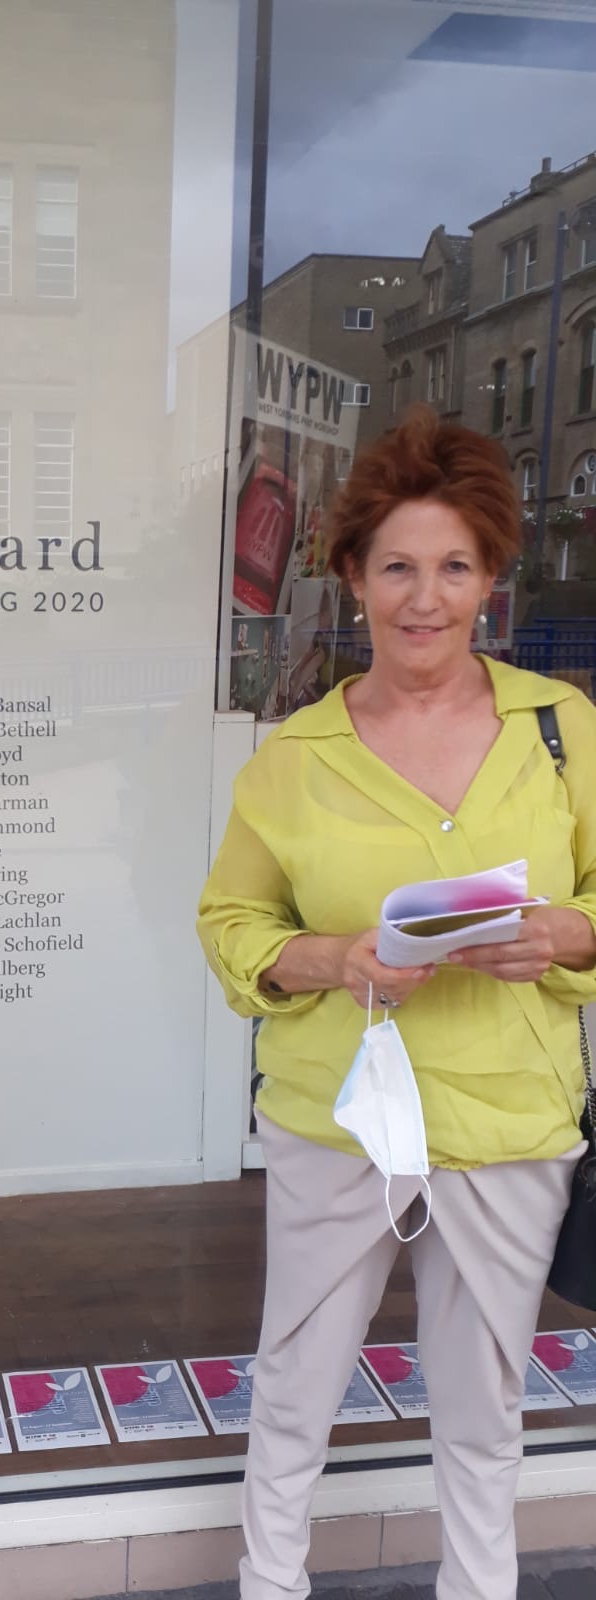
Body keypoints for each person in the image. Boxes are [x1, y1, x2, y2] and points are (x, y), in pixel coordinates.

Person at [198, 406, 596, 1600]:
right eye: (398, 568)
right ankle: (271, 1583)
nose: (426, 598)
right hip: (339, 1114)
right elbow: (231, 924)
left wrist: (564, 934)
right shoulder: (295, 755)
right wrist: (336, 960)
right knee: (296, 1387)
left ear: (491, 580)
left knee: (482, 1407)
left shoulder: (561, 730)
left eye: (455, 567)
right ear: (354, 579)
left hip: (505, 1114)